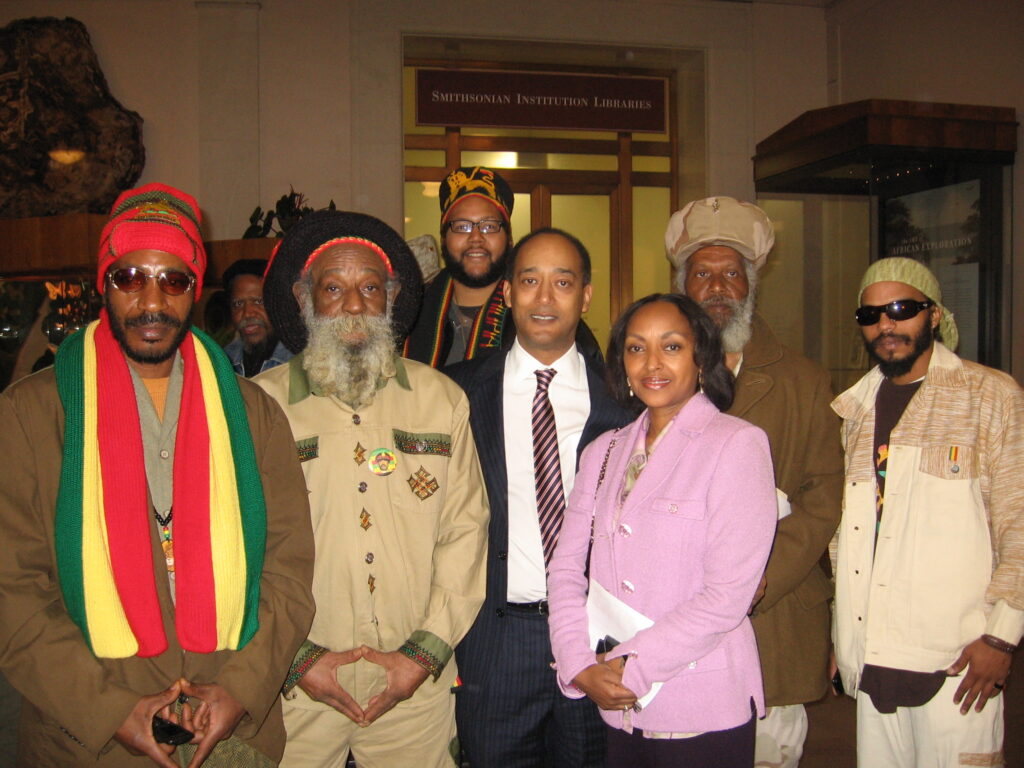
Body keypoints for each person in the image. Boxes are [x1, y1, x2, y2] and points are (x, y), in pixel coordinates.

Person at [0, 182, 315, 767]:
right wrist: (109, 709)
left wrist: (240, 690)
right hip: (85, 738)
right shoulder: (30, 414)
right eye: (130, 277)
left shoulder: (252, 413)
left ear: (196, 289)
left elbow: (288, 569)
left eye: (172, 279)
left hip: (229, 730)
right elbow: (11, 590)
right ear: (104, 283)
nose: (152, 299)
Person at [254, 209, 489, 768]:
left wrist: (421, 654)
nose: (354, 306)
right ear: (304, 297)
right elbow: (233, 546)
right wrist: (298, 659)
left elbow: (466, 530)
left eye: (369, 288)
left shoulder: (442, 400)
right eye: (334, 288)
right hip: (292, 684)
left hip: (415, 686)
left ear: (392, 297)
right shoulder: (256, 405)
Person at [548, 293, 778, 768]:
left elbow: (727, 596)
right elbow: (566, 570)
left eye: (671, 346)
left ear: (701, 358)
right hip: (617, 705)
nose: (652, 363)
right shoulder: (603, 452)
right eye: (636, 348)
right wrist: (578, 665)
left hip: (702, 704)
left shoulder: (736, 445)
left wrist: (632, 666)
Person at [666, 196, 843, 767]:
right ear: (682, 285)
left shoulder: (803, 379)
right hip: (671, 619)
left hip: (773, 617)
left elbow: (823, 495)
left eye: (732, 274)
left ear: (751, 284)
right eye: (703, 273)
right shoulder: (650, 372)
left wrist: (762, 575)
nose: (718, 287)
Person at [446, 228, 630, 767]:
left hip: (596, 640)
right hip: (496, 643)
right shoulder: (456, 393)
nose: (545, 299)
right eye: (530, 281)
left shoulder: (624, 406)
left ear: (586, 295)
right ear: (506, 292)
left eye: (563, 282)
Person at [831, 257, 1023, 768]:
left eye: (901, 309)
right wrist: (843, 634)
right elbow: (848, 535)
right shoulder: (855, 408)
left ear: (933, 315)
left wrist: (1001, 637)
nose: (886, 325)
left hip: (958, 661)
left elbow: (1019, 524)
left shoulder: (989, 397)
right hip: (873, 656)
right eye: (871, 315)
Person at [404, 166, 602, 370]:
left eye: (489, 226)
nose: (476, 238)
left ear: (509, 239)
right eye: (462, 226)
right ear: (444, 237)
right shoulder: (412, 312)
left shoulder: (545, 316)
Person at [221, 258, 292, 377]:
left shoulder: (301, 364)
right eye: (238, 304)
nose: (247, 313)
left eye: (258, 302)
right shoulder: (223, 362)